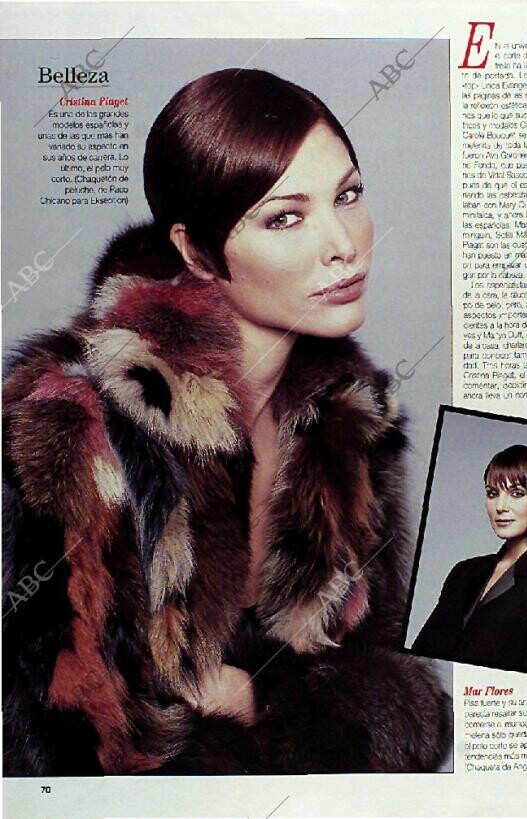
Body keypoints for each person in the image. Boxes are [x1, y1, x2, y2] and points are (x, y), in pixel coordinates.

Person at [2, 68, 451, 776]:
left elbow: (408, 696)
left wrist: (261, 699)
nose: (344, 243)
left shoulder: (349, 418)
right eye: (285, 217)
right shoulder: (71, 419)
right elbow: (53, 746)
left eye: (348, 195)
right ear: (196, 251)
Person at [412, 444, 527, 678]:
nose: (500, 506)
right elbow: (419, 655)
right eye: (492, 493)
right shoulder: (464, 571)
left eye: (516, 493)